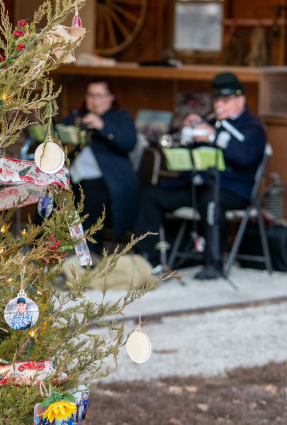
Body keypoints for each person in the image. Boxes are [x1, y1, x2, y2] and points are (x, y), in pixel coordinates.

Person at [134, 72, 267, 280]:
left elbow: (244, 156)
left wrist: (213, 136)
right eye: (217, 99)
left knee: (210, 201)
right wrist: (185, 129)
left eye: (225, 100)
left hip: (232, 189)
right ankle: (146, 257)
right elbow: (177, 143)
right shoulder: (209, 120)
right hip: (199, 185)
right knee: (152, 194)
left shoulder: (252, 127)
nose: (218, 105)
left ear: (241, 100)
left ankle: (213, 263)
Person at [60, 79, 139, 253]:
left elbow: (129, 143)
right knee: (51, 194)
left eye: (100, 95)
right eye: (91, 95)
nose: (95, 100)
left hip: (108, 178)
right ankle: (42, 250)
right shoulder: (77, 117)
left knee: (92, 196)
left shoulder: (120, 117)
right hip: (73, 175)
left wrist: (102, 126)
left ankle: (89, 255)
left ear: (111, 97)